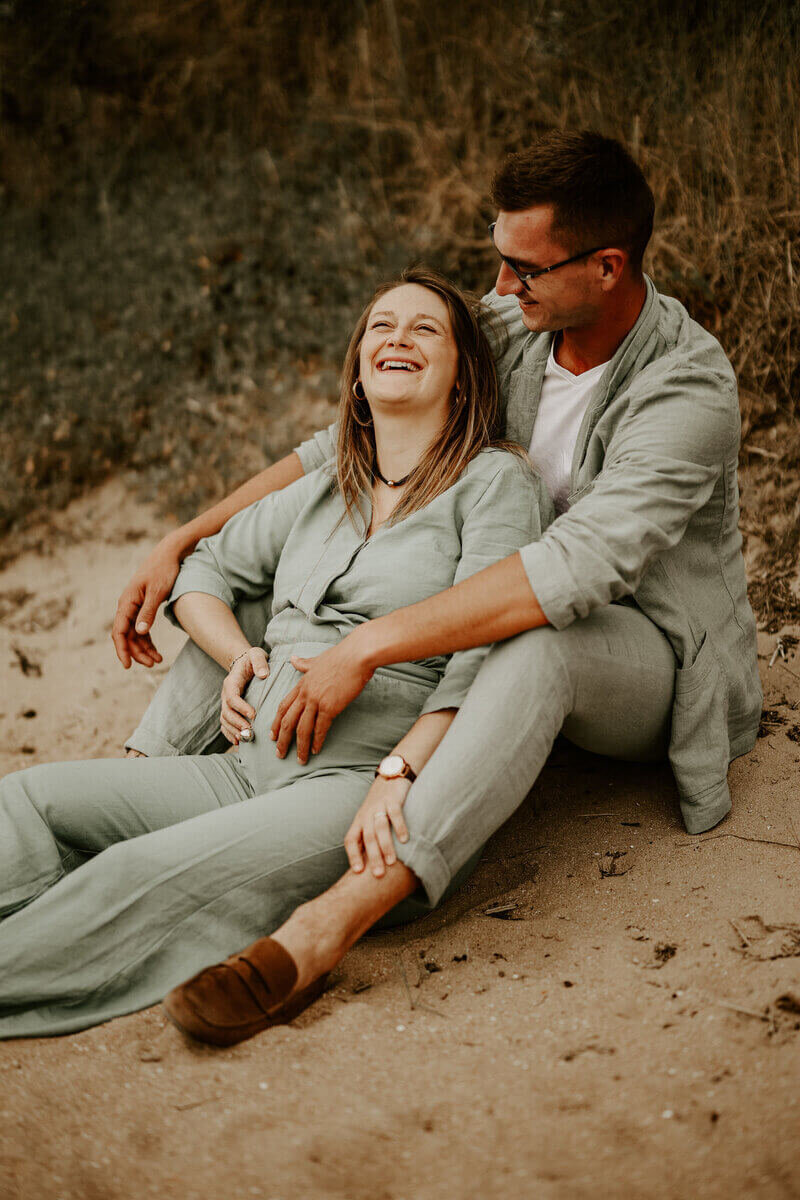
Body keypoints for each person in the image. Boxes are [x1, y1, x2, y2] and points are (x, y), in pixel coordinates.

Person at [111, 130, 761, 1045]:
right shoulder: (519, 321)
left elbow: (575, 572)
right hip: (492, 621)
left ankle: (322, 929)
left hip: (640, 655)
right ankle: (137, 785)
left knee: (540, 642)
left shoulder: (688, 388)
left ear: (607, 267)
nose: (499, 287)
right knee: (300, 574)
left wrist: (368, 648)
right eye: (498, 260)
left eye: (522, 269)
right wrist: (186, 537)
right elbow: (339, 445)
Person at [0, 268, 551, 1040]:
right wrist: (235, 657)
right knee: (29, 801)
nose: (397, 337)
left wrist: (403, 775)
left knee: (133, 875)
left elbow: (488, 650)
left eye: (426, 329)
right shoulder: (333, 483)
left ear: (464, 379)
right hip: (237, 768)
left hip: (349, 785)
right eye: (380, 326)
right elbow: (205, 571)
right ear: (357, 376)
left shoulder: (495, 483)